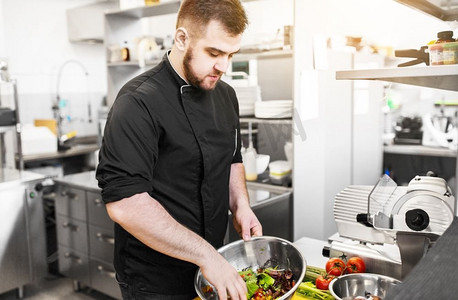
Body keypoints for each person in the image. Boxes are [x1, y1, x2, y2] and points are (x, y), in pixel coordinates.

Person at [95, 0, 262, 299]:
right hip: (155, 279)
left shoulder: (226, 95)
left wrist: (241, 205)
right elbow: (125, 204)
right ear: (182, 38)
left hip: (213, 265)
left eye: (230, 54)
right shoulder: (137, 102)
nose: (223, 66)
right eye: (214, 53)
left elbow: (232, 158)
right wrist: (208, 257)